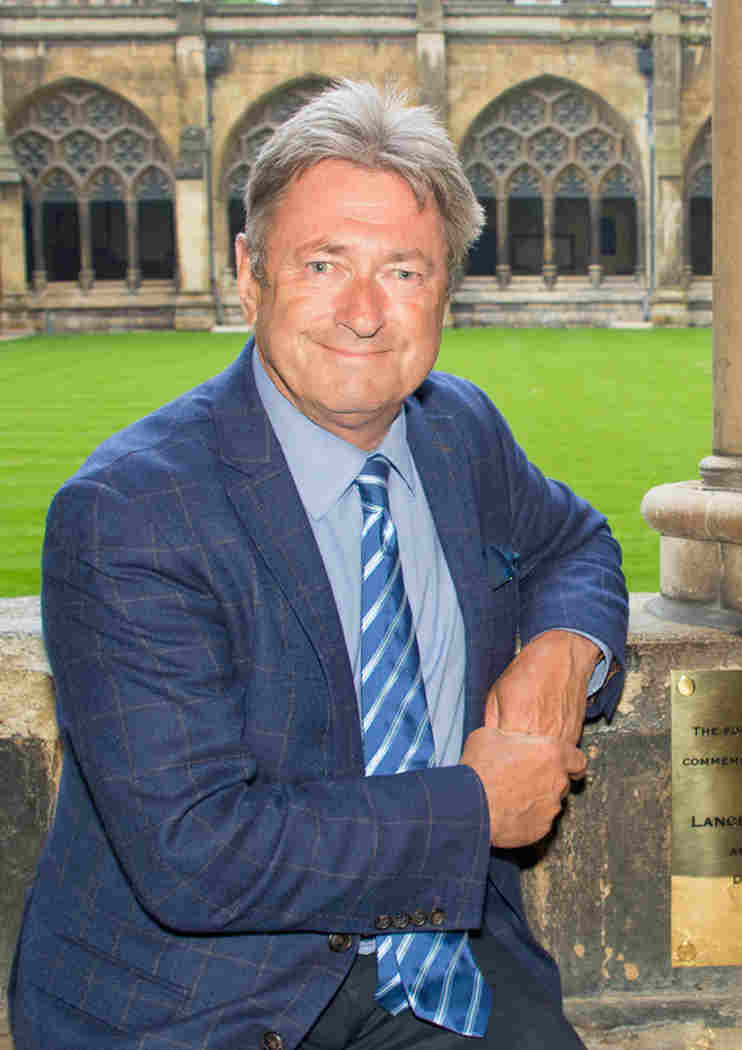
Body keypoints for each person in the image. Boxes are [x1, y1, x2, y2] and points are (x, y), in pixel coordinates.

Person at [8, 80, 628, 1050]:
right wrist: (473, 810)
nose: (363, 312)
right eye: (324, 263)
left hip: (440, 966)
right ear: (249, 274)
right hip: (209, 1000)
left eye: (405, 272)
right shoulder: (130, 514)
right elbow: (195, 854)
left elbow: (575, 542)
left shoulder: (457, 431)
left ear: (446, 295)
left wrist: (563, 647)